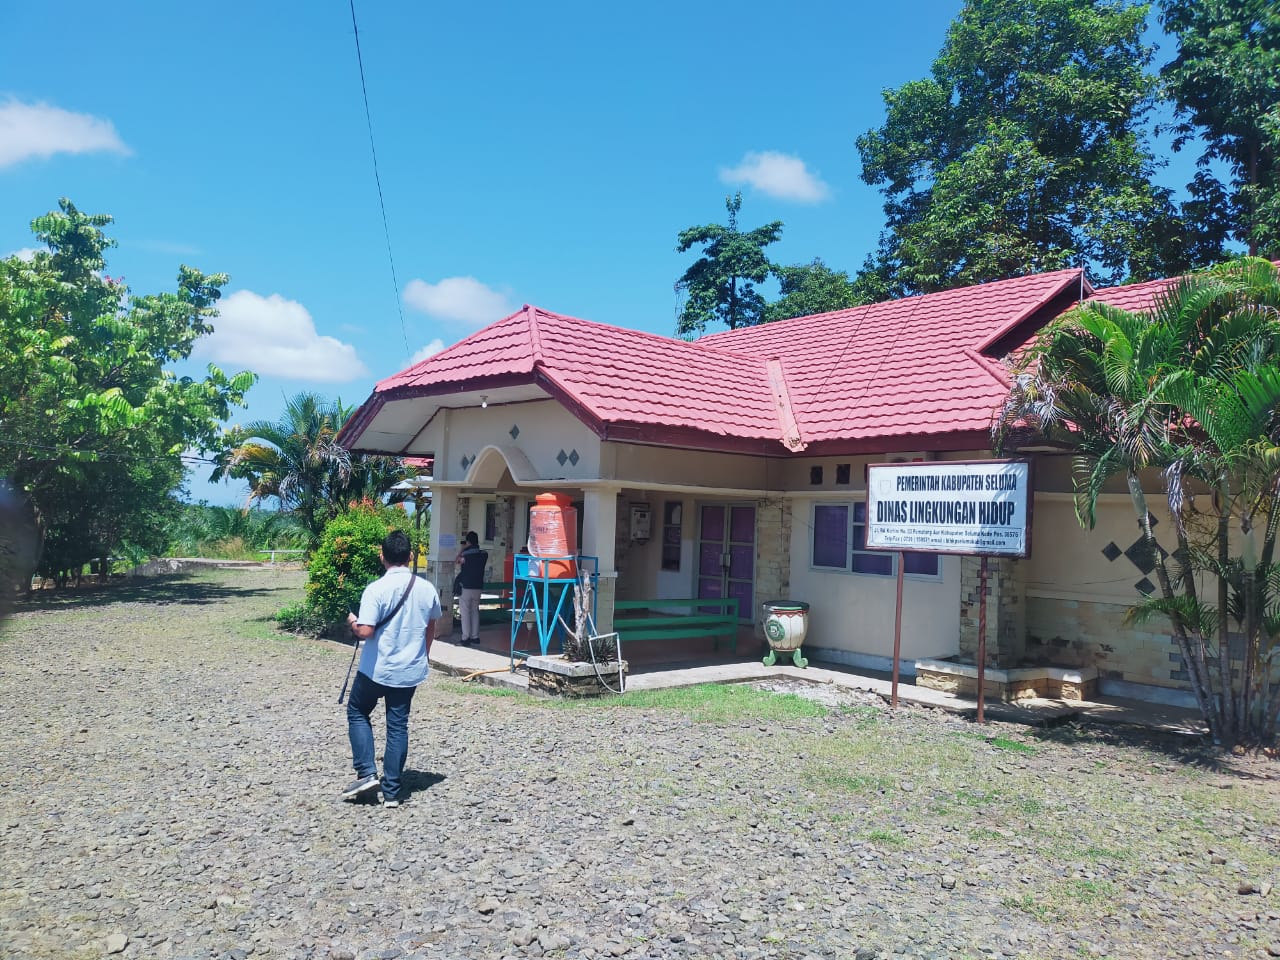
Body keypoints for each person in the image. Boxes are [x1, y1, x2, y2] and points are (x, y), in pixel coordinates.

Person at [342, 529, 441, 808]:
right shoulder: (426, 588)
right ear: (410, 556)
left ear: (381, 556)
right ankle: (393, 791)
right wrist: (425, 654)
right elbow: (432, 624)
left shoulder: (375, 589)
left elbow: (366, 631)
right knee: (398, 725)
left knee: (358, 711)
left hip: (376, 668)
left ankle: (366, 772)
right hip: (408, 670)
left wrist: (352, 622)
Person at [454, 530, 487, 646]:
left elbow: (457, 560)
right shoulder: (483, 554)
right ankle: (475, 636)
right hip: (478, 587)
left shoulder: (465, 555)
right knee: (474, 611)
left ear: (468, 542)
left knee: (465, 612)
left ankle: (465, 637)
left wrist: (463, 549)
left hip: (466, 587)